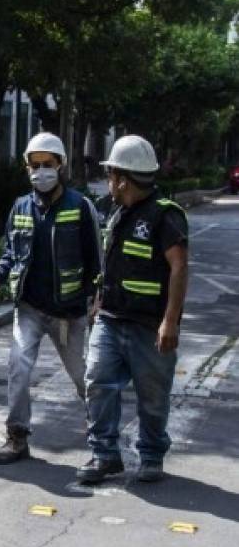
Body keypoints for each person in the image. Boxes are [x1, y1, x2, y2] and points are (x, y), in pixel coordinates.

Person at [0, 132, 101, 464]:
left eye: (47, 164)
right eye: (34, 165)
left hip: (69, 313)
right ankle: (17, 437)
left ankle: (103, 436)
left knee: (84, 377)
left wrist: (97, 298)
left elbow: (97, 260)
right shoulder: (20, 207)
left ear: (60, 165)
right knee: (18, 367)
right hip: (30, 309)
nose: (40, 171)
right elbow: (10, 252)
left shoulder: (80, 207)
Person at [77, 135, 188, 484]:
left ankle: (152, 455)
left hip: (149, 325)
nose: (109, 181)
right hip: (110, 319)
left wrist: (170, 322)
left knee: (152, 397)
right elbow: (112, 263)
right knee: (97, 381)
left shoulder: (165, 216)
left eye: (111, 174)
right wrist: (98, 303)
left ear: (124, 178)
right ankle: (105, 455)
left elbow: (179, 268)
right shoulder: (118, 211)